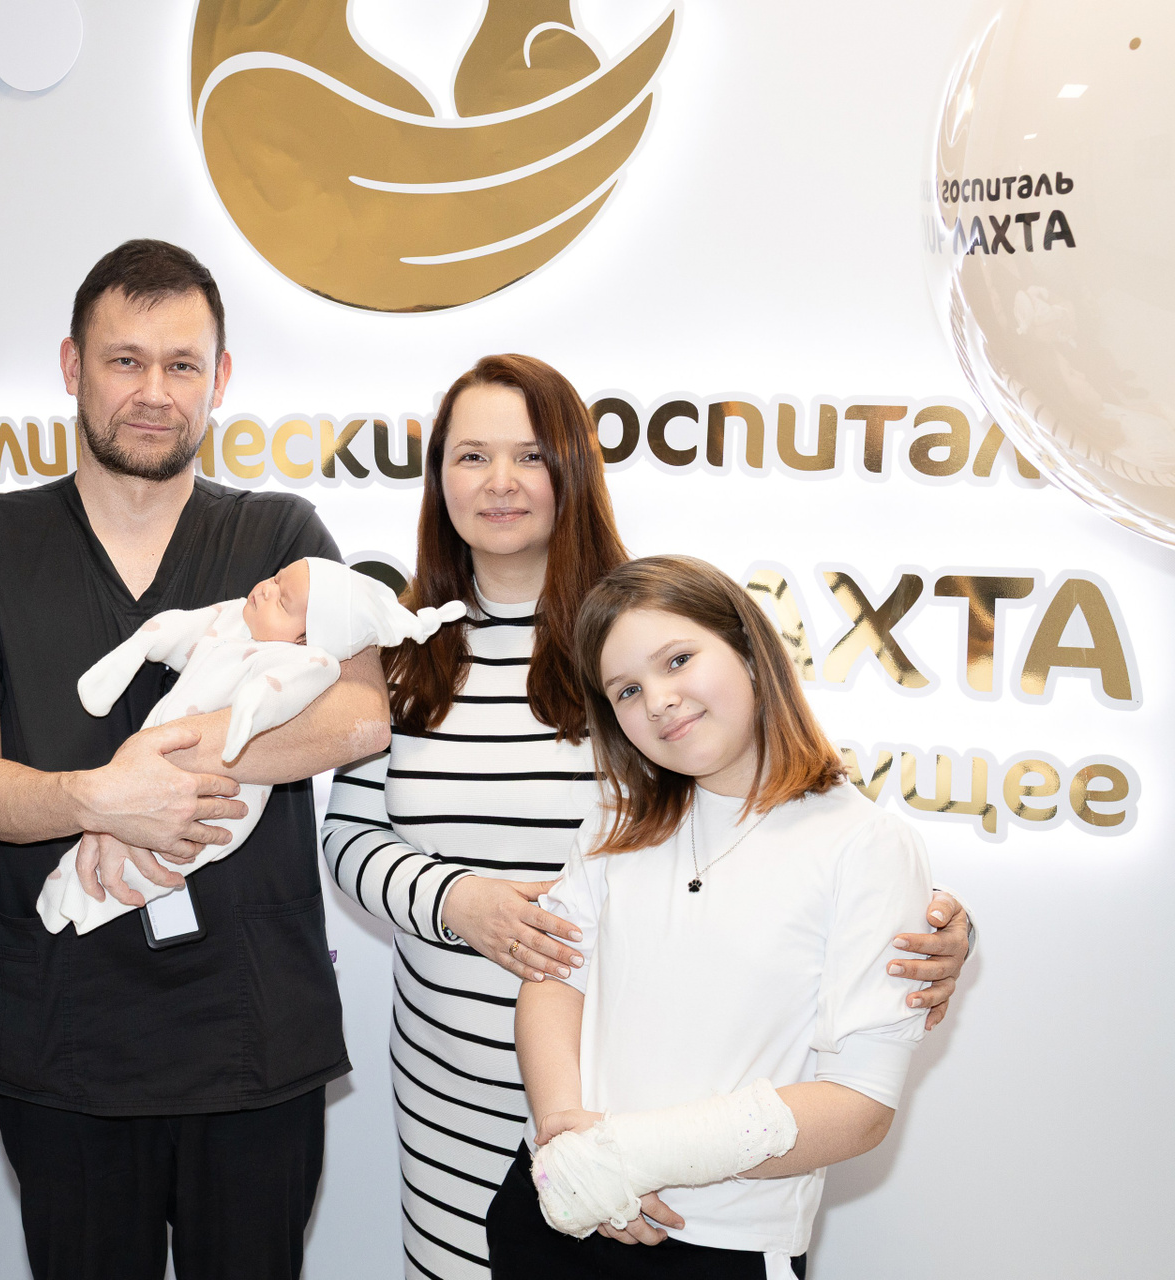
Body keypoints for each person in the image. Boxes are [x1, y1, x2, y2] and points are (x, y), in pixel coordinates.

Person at [321, 355, 975, 1280]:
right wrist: (459, 902)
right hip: (454, 1070)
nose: (501, 481)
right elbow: (348, 838)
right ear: (437, 480)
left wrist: (935, 923)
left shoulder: (633, 634)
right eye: (471, 456)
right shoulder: (395, 647)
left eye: (530, 455)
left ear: (573, 470)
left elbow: (780, 816)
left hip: (651, 1100)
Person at [0, 239, 389, 1280]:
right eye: (124, 360)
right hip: (64, 1030)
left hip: (251, 1027)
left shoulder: (280, 535)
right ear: (71, 367)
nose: (154, 391)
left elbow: (360, 716)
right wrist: (102, 798)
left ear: (221, 378)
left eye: (181, 364)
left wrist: (196, 755)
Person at [490, 555, 935, 1277]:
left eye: (678, 660)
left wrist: (625, 1160)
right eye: (627, 690)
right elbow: (553, 981)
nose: (659, 701)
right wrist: (568, 1140)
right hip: (555, 1206)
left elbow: (859, 1107)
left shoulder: (865, 845)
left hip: (718, 1243)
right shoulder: (615, 820)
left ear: (751, 653)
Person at [38, 556, 465, 935]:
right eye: (276, 579)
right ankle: (71, 894)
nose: (266, 589)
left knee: (152, 858)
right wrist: (125, 662)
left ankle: (78, 901)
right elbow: (172, 628)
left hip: (223, 795)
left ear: (304, 639)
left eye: (282, 601)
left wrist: (241, 722)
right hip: (157, 758)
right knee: (108, 852)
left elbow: (277, 695)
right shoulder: (235, 622)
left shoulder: (304, 661)